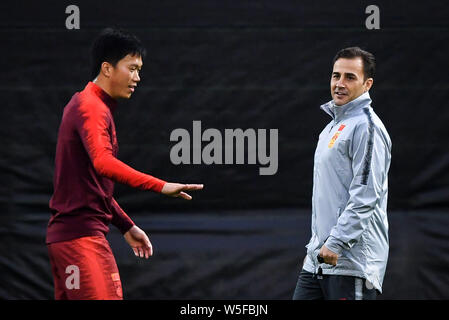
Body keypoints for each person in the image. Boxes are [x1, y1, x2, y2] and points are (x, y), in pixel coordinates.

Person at [46, 28, 203, 300]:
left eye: (139, 70)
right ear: (107, 68)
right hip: (80, 241)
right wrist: (161, 185)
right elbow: (104, 163)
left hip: (73, 238)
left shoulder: (91, 105)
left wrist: (126, 225)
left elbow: (92, 185)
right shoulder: (90, 107)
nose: (137, 78)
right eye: (132, 69)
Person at [293, 47, 391, 300]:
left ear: (367, 84)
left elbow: (366, 195)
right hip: (317, 260)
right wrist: (319, 247)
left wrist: (336, 242)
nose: (339, 84)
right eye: (336, 76)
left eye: (350, 77)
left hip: (351, 263)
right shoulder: (331, 128)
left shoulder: (367, 127)